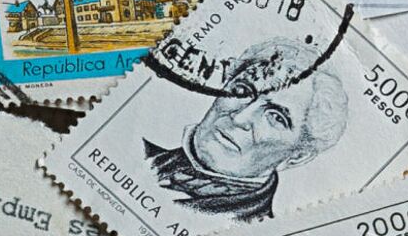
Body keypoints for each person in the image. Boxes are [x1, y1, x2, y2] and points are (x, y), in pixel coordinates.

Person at [143, 37, 348, 222]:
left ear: (297, 156)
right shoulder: (142, 157)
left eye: (276, 117)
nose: (239, 117)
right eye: (242, 90)